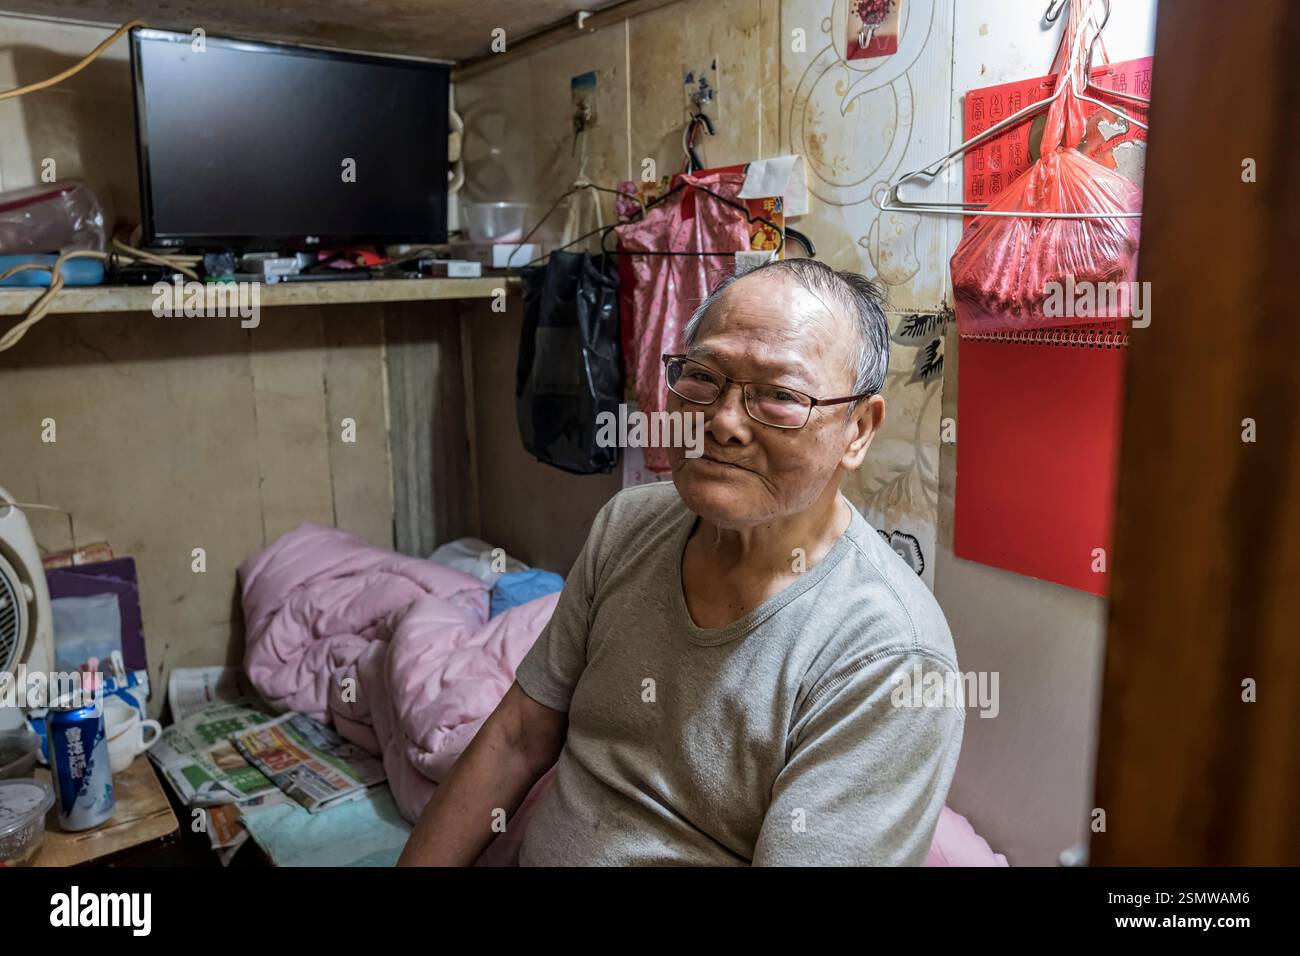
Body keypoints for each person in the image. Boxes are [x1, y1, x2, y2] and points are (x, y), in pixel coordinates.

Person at [398, 258, 963, 866]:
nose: (722, 422)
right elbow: (517, 737)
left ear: (858, 430)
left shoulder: (890, 658)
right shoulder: (629, 523)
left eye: (778, 395)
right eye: (703, 377)